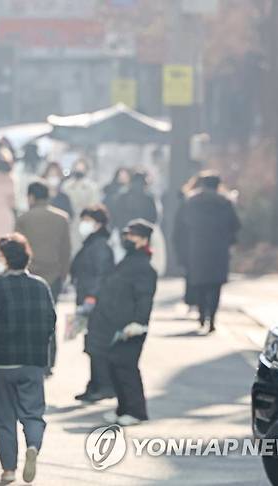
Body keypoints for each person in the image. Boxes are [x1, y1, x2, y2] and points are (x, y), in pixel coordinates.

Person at [0, 234, 56, 484]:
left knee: (4, 419)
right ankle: (33, 445)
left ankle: (9, 470)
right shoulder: (41, 285)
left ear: (8, 259)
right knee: (33, 413)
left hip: (2, 362)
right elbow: (50, 322)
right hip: (32, 361)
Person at [88, 220, 157, 427]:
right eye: (126, 234)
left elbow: (145, 297)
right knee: (115, 365)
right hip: (116, 324)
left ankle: (136, 411)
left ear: (144, 239)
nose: (128, 239)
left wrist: (139, 322)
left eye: (133, 235)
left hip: (131, 327)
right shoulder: (128, 260)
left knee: (126, 367)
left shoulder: (144, 267)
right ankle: (123, 408)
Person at [173, 172, 241, 332]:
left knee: (200, 284)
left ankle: (202, 315)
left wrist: (182, 251)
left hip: (197, 248)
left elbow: (180, 229)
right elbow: (236, 225)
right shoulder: (225, 202)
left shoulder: (191, 203)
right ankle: (213, 319)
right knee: (215, 285)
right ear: (218, 185)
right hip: (219, 249)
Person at [70, 205, 116, 403]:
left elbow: (101, 274)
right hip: (88, 298)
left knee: (96, 345)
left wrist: (91, 296)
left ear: (98, 224)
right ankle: (95, 384)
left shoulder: (100, 246)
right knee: (91, 344)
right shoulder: (93, 243)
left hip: (95, 301)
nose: (83, 225)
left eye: (87, 220)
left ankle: (103, 385)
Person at [15, 182, 71, 302]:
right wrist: (63, 274)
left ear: (31, 197)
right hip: (54, 274)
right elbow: (65, 250)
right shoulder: (62, 218)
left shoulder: (23, 219)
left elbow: (17, 249)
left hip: (29, 274)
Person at [61, 159, 101, 252]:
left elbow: (94, 203)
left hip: (85, 219)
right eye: (77, 168)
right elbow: (63, 201)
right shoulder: (66, 185)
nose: (79, 170)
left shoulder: (92, 186)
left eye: (82, 168)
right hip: (70, 219)